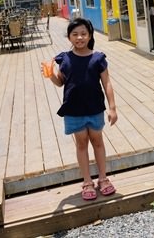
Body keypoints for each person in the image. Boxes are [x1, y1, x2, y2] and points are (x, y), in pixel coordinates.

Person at [46, 17, 118, 201]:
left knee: (98, 142)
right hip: (73, 109)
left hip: (94, 107)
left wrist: (112, 108)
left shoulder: (98, 58)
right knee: (81, 144)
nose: (79, 38)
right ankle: (87, 182)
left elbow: (107, 83)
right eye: (75, 34)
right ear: (69, 37)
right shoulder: (65, 59)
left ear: (90, 35)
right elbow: (61, 82)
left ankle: (103, 178)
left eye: (83, 34)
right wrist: (51, 75)